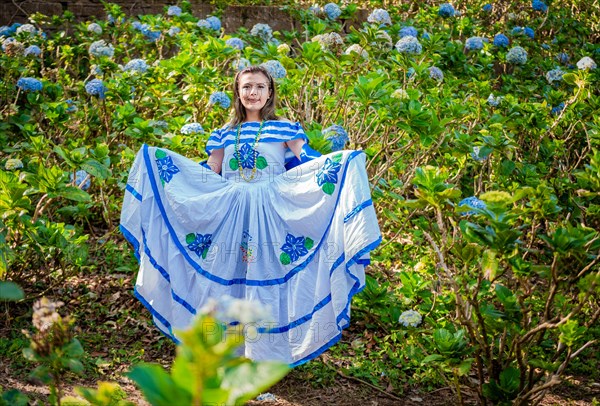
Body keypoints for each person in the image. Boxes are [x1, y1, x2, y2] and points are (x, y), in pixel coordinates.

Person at [120, 65, 381, 366]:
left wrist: (340, 164)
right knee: (230, 276)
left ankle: (264, 355)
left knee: (267, 274)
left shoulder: (284, 128)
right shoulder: (224, 134)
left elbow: (306, 158)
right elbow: (210, 173)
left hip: (269, 213)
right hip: (230, 213)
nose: (252, 92)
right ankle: (225, 352)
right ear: (238, 92)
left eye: (259, 86)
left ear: (270, 92)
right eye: (246, 87)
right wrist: (174, 177)